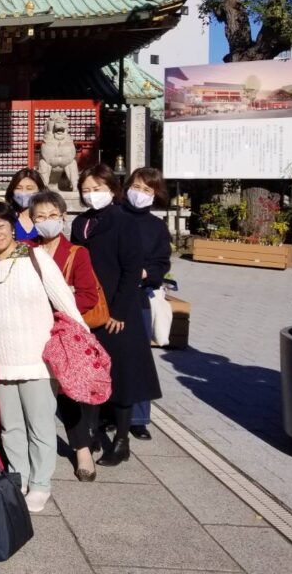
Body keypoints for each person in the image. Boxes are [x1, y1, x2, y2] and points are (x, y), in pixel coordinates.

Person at [0, 200, 87, 512]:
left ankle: (40, 483)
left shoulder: (36, 258)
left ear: (12, 225)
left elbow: (65, 301)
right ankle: (18, 476)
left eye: (0, 225)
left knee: (39, 424)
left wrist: (81, 342)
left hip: (37, 358)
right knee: (10, 426)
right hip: (0, 359)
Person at [72, 164, 162, 467]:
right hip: (89, 310)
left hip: (119, 312)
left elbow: (131, 269)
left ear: (112, 189)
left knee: (121, 377)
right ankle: (93, 431)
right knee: (92, 374)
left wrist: (120, 310)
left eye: (98, 188)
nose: (92, 194)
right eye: (87, 189)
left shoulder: (123, 221)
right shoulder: (80, 223)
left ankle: (122, 440)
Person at [29, 190, 101, 481]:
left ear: (63, 217)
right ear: (32, 221)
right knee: (32, 391)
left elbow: (86, 295)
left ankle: (82, 449)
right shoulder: (24, 249)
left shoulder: (76, 254)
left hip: (60, 332)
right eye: (40, 217)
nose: (47, 222)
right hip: (30, 330)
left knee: (67, 393)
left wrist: (58, 304)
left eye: (52, 216)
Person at [123, 167, 172, 442]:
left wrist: (145, 274)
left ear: (155, 195)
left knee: (140, 357)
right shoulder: (114, 217)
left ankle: (139, 418)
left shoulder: (156, 227)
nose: (140, 193)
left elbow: (162, 263)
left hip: (139, 295)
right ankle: (111, 412)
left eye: (147, 190)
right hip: (111, 296)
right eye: (137, 186)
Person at [5, 168, 47, 242]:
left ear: (40, 191)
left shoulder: (47, 218)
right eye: (18, 188)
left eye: (29, 188)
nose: (23, 192)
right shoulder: (6, 217)